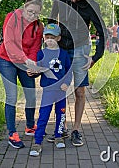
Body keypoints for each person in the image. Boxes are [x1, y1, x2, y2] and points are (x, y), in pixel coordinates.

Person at [49, 0, 106, 147]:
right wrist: (49, 44)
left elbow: (102, 33)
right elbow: (52, 21)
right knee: (60, 90)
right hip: (61, 49)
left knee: (79, 92)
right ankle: (61, 127)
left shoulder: (92, 6)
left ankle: (76, 129)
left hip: (80, 50)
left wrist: (96, 57)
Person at [0, 0, 44, 149]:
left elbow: (35, 47)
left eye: (36, 13)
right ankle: (12, 133)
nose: (33, 15)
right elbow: (9, 44)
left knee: (31, 93)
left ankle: (30, 126)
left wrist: (31, 65)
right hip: (7, 60)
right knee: (12, 96)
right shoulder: (12, 18)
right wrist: (26, 60)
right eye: (30, 12)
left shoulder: (39, 26)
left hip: (24, 62)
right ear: (24, 7)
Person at [28, 24, 72, 156]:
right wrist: (34, 72)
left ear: (58, 38)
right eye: (47, 37)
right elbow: (39, 69)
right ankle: (37, 142)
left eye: (53, 37)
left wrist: (67, 83)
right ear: (44, 38)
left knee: (61, 114)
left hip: (61, 91)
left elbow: (69, 71)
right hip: (48, 91)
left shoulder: (64, 54)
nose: (50, 40)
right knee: (43, 115)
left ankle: (58, 135)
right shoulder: (41, 53)